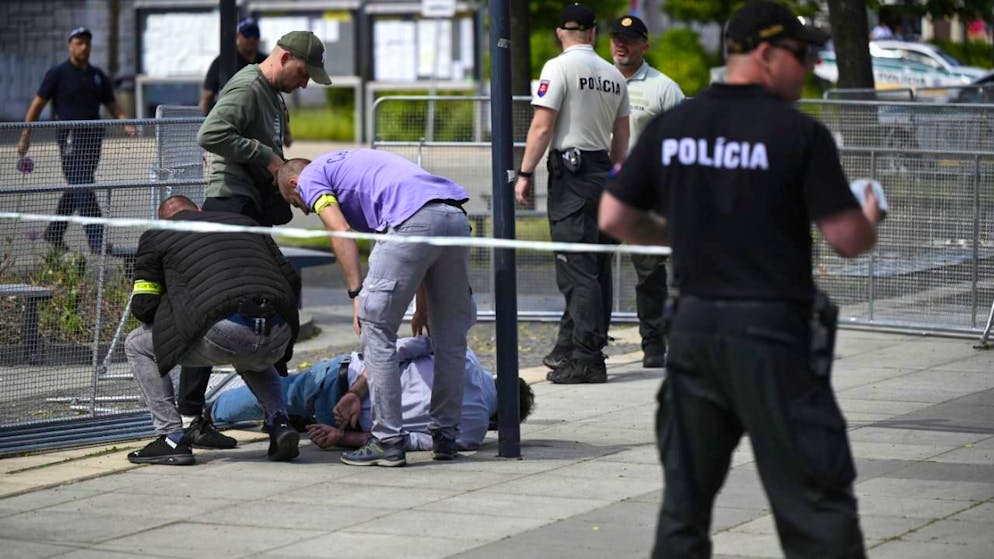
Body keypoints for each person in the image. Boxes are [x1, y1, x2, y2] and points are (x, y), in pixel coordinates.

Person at [599, 2, 882, 557]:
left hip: (696, 334)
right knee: (815, 503)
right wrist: (871, 216)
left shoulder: (677, 125)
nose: (810, 68)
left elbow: (614, 218)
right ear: (766, 54)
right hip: (773, 334)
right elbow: (847, 239)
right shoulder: (797, 133)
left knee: (684, 506)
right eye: (803, 55)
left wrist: (678, 236)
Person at [179, 29, 331, 450]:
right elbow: (209, 134)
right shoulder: (249, 85)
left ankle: (275, 412)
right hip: (229, 206)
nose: (305, 84)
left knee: (274, 294)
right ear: (284, 58)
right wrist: (268, 158)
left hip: (249, 209)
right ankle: (198, 416)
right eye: (304, 73)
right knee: (222, 305)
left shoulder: (272, 96)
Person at [277, 149, 474, 467]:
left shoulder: (311, 178)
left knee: (376, 327)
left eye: (293, 202)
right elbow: (420, 239)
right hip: (452, 216)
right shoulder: (352, 168)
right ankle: (445, 437)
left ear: (295, 183)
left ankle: (387, 441)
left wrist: (358, 293)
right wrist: (422, 303)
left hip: (412, 221)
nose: (302, 210)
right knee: (449, 337)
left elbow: (339, 231)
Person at [124, 195, 302, 466]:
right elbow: (290, 279)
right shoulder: (244, 223)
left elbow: (143, 306)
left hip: (227, 331)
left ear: (162, 220)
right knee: (252, 351)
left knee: (137, 344)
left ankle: (171, 438)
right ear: (198, 209)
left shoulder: (158, 235)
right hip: (278, 330)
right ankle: (279, 423)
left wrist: (175, 307)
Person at [514, 3, 630, 385]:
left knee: (575, 269)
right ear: (594, 33)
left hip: (571, 177)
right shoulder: (614, 75)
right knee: (596, 268)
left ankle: (587, 358)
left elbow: (542, 128)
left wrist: (525, 172)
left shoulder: (558, 67)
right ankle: (570, 347)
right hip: (604, 174)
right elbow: (622, 141)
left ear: (560, 33)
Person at [209, 336, 536, 452]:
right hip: (346, 425)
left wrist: (354, 393)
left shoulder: (461, 354)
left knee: (276, 394)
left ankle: (207, 414)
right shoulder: (472, 433)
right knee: (289, 409)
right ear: (499, 420)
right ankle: (288, 424)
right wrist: (340, 437)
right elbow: (407, 440)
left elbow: (393, 351)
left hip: (343, 379)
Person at [609, 14, 684, 368]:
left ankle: (654, 344)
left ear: (644, 44)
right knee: (590, 271)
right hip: (602, 190)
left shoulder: (663, 87)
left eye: (630, 39)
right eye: (616, 39)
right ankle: (589, 345)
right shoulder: (598, 79)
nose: (621, 45)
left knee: (650, 273)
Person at [16, 26, 132, 254]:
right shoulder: (58, 73)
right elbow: (38, 103)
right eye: (79, 42)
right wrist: (25, 135)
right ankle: (97, 241)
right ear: (70, 45)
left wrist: (125, 121)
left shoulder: (97, 76)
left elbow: (111, 103)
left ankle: (54, 233)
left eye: (87, 43)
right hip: (70, 138)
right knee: (84, 186)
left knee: (77, 186)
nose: (84, 47)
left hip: (93, 139)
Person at [199, 17, 268, 115]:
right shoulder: (222, 61)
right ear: (238, 36)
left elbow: (276, 99)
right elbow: (207, 96)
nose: (251, 38)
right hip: (229, 117)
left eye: (255, 34)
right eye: (247, 33)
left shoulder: (266, 61)